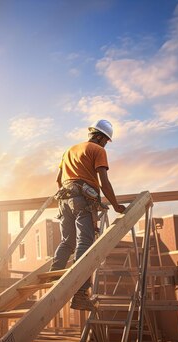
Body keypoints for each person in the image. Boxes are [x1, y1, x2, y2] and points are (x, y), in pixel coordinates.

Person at [51, 119, 126, 311]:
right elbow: (104, 182)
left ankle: (54, 281)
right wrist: (116, 205)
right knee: (84, 242)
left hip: (64, 198)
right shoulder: (98, 151)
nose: (105, 144)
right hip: (82, 199)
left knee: (67, 241)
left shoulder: (69, 150)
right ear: (100, 137)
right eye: (106, 141)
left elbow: (59, 180)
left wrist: (68, 197)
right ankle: (80, 294)